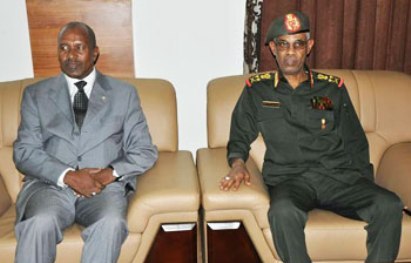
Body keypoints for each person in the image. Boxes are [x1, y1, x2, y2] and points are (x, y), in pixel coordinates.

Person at [220, 11, 403, 263]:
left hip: (338, 178)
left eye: (298, 44)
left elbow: (354, 140)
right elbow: (239, 135)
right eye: (283, 44)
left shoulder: (331, 88)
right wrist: (237, 164)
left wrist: (363, 181)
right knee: (282, 212)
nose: (290, 52)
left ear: (309, 47)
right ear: (273, 48)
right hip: (290, 180)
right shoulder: (258, 90)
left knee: (389, 205)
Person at [13, 21, 158, 263]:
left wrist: (107, 175)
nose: (70, 55)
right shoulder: (35, 94)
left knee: (111, 222)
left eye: (79, 47)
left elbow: (144, 150)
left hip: (102, 190)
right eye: (64, 48)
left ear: (94, 52)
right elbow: (24, 152)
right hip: (50, 186)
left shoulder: (124, 94)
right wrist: (68, 175)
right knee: (39, 223)